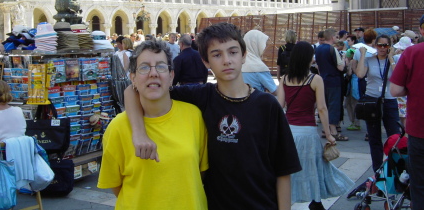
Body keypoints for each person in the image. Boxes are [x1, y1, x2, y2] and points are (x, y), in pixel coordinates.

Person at [125, 22, 301, 210]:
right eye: (217, 54)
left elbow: (283, 170)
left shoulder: (267, 106)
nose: (226, 60)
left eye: (232, 52)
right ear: (206, 62)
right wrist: (139, 133)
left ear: (243, 55)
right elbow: (132, 89)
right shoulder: (201, 97)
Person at [97, 40, 208, 209]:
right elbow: (117, 186)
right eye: (144, 67)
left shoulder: (193, 115)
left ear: (171, 76)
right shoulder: (118, 127)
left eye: (161, 66)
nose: (153, 73)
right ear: (132, 78)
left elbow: (199, 173)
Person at [277, 41, 352, 210]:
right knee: (314, 168)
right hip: (308, 131)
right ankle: (316, 202)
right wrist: (329, 133)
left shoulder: (284, 79)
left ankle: (287, 200)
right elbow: (322, 108)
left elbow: (279, 106)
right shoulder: (315, 79)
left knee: (290, 169)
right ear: (308, 58)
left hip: (289, 131)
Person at [390, 14, 424, 209]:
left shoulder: (411, 53)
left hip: (419, 131)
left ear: (421, 30)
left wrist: (411, 88)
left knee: (419, 185)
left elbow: (395, 90)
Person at [355, 34, 399, 172]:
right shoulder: (369, 59)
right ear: (375, 45)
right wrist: (362, 55)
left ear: (390, 47)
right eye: (380, 45)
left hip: (389, 100)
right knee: (374, 138)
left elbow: (398, 76)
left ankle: (393, 169)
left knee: (394, 137)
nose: (382, 48)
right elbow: (360, 74)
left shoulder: (395, 59)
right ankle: (377, 170)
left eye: (385, 45)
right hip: (372, 100)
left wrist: (391, 57)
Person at [315, 29, 347, 141]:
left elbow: (317, 66)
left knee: (325, 104)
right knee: (334, 105)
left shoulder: (318, 49)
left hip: (323, 80)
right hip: (334, 80)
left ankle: (325, 129)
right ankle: (333, 131)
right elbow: (340, 67)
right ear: (332, 37)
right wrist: (344, 59)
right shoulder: (332, 49)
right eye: (336, 36)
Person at [242, 29, 277, 95]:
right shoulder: (259, 67)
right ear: (256, 45)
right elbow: (274, 90)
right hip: (257, 103)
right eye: (263, 45)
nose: (264, 48)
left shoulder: (238, 63)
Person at [345, 49, 361, 131]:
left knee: (351, 103)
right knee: (354, 103)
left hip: (352, 84)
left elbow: (349, 73)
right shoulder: (360, 62)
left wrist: (349, 65)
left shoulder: (352, 62)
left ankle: (354, 121)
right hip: (356, 83)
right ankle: (355, 121)